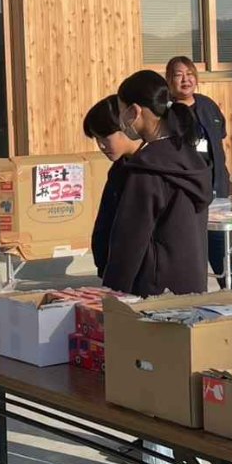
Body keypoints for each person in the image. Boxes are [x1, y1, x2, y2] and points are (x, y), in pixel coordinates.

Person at [103, 70, 212, 297]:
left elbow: (129, 242)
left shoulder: (147, 169)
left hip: (153, 292)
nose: (121, 120)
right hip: (193, 285)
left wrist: (111, 294)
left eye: (122, 111)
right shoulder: (190, 158)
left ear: (135, 111)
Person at [165, 57, 232, 288]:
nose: (185, 79)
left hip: (217, 189)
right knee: (192, 251)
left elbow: (220, 138)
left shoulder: (207, 105)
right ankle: (194, 292)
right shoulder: (166, 112)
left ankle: (229, 290)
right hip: (187, 193)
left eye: (190, 74)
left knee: (221, 248)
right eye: (178, 75)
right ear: (169, 80)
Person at [83, 95, 143, 278]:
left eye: (105, 137)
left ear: (126, 126)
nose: (101, 145)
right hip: (115, 269)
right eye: (96, 139)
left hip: (145, 273)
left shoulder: (154, 168)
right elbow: (106, 220)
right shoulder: (118, 169)